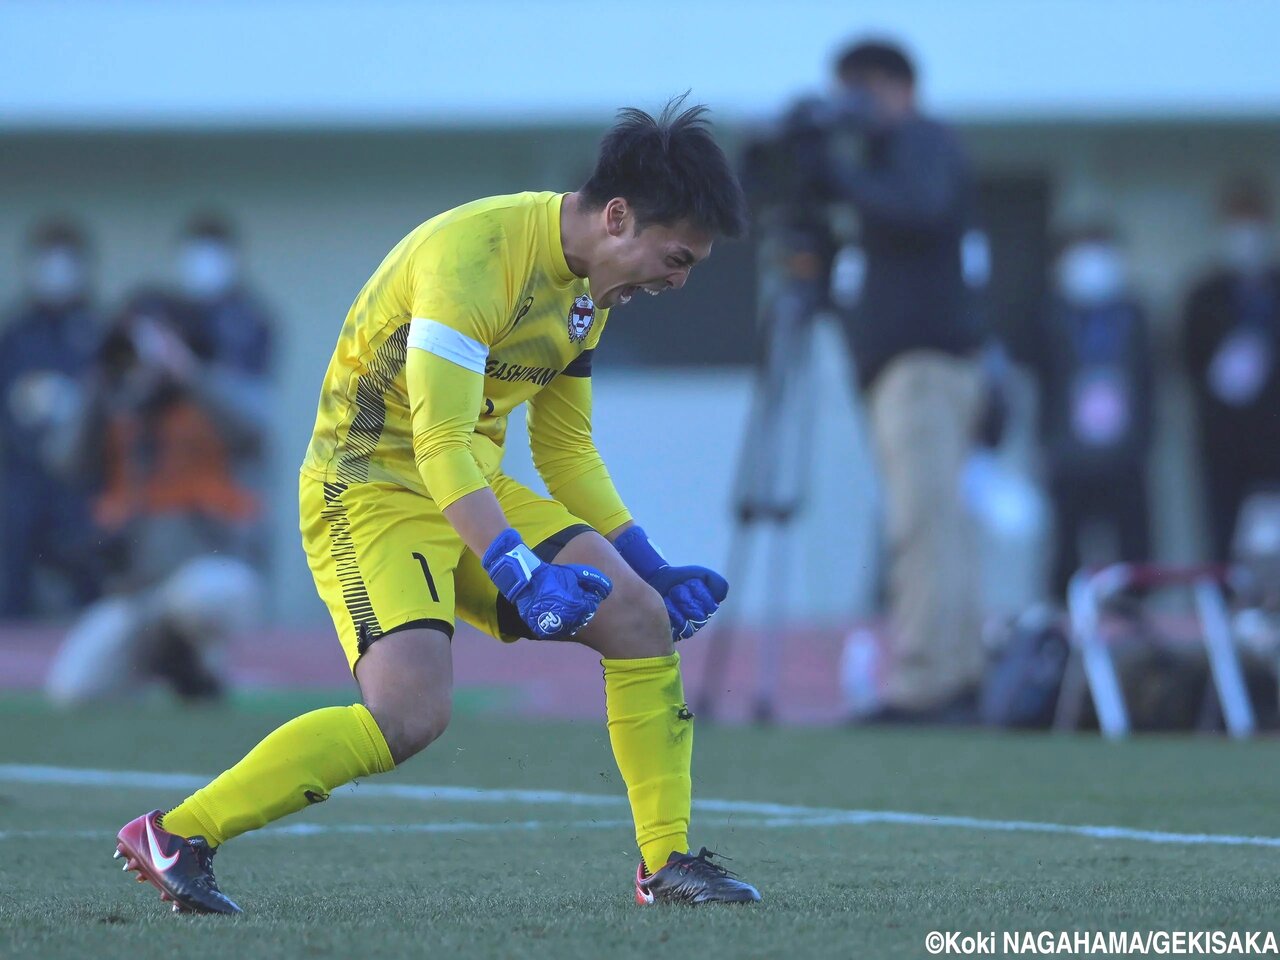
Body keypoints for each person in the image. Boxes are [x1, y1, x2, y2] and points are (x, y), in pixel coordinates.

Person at [111, 98, 761, 914]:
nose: (679, 280)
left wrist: (651, 565)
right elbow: (438, 442)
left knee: (639, 618)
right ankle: (177, 834)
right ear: (619, 215)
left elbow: (566, 452)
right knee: (409, 715)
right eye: (676, 257)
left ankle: (666, 865)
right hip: (369, 487)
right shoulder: (474, 257)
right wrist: (517, 568)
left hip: (466, 482)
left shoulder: (593, 290)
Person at [824, 40, 988, 723]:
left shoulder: (922, 143)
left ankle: (928, 680)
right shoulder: (886, 161)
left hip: (921, 368)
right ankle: (953, 670)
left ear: (893, 87)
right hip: (905, 370)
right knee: (933, 526)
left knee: (920, 526)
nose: (848, 111)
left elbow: (918, 208)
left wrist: (837, 173)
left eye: (856, 94)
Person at [44, 290, 264, 705]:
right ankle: (169, 664)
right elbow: (63, 460)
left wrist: (186, 371)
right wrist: (101, 377)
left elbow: (255, 433)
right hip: (135, 591)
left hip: (206, 573)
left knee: (205, 598)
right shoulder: (116, 403)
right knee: (72, 690)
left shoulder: (210, 391)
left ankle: (193, 659)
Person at [1031, 227, 1154, 596]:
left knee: (1133, 550)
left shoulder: (1133, 314)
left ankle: (1135, 629)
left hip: (1125, 454)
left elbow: (1151, 380)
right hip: (1069, 456)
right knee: (1065, 554)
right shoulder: (1049, 315)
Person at [0, 219, 102, 617]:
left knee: (89, 579)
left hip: (82, 479)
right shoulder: (15, 331)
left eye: (66, 260)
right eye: (47, 259)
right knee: (13, 579)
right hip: (22, 475)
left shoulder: (100, 328)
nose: (57, 270)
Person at [1182, 178, 1280, 561]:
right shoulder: (1204, 294)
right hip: (1222, 439)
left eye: (1253, 223)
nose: (1246, 236)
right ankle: (1224, 612)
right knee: (1222, 536)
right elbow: (1187, 363)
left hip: (1274, 438)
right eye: (1238, 225)